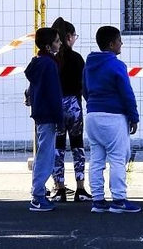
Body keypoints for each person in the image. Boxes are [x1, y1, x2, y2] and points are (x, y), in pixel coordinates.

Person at [83, 25, 141, 213]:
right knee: (117, 158)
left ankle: (98, 200)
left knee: (96, 159)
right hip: (113, 116)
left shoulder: (89, 65)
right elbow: (126, 93)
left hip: (92, 115)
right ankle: (119, 200)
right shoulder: (117, 65)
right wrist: (133, 116)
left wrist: (93, 104)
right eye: (119, 40)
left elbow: (84, 89)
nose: (121, 43)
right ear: (111, 44)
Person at [49, 18, 90, 203]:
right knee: (77, 145)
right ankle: (80, 188)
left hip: (56, 106)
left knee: (57, 148)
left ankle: (59, 189)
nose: (75, 39)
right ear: (68, 37)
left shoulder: (51, 60)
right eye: (74, 36)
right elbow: (83, 84)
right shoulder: (77, 59)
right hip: (74, 105)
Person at [25, 27, 62, 212]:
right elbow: (54, 93)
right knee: (46, 156)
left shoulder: (36, 63)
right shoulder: (50, 64)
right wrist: (59, 117)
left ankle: (38, 191)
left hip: (40, 113)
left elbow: (32, 89)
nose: (60, 43)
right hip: (48, 114)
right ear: (49, 46)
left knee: (43, 153)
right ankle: (38, 195)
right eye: (57, 41)